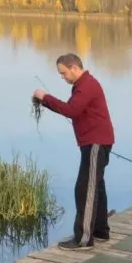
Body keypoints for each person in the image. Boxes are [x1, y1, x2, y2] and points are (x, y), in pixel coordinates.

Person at [33, 53, 115, 250]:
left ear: (74, 68)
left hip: (96, 143)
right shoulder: (83, 85)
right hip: (95, 142)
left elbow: (71, 110)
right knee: (96, 186)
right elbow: (76, 110)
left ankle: (83, 239)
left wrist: (45, 98)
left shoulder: (86, 85)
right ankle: (100, 231)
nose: (62, 77)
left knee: (85, 189)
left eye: (63, 73)